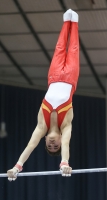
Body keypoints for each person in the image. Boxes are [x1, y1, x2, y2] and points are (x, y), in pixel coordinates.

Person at [7, 8, 79, 181]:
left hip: (53, 78)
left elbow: (30, 146)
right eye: (56, 146)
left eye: (50, 145)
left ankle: (65, 22)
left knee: (60, 48)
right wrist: (64, 162)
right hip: (70, 78)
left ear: (45, 139)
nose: (53, 144)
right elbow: (66, 144)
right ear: (60, 140)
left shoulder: (41, 126)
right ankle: (74, 22)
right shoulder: (66, 126)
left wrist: (17, 167)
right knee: (73, 49)